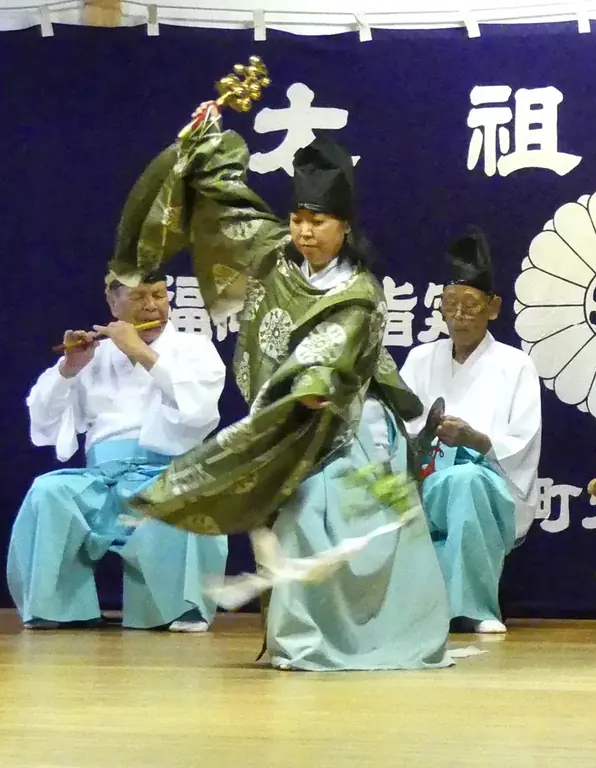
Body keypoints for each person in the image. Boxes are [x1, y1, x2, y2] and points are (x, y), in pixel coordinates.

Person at [104, 100, 453, 671]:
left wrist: (306, 390)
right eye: (298, 218)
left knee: (320, 510)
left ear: (345, 227)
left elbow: (327, 357)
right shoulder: (275, 257)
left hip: (351, 430)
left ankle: (346, 639)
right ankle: (296, 640)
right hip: (289, 420)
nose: (305, 230)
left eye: (318, 221)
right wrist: (205, 138)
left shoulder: (359, 293)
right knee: (287, 510)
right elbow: (227, 201)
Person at [7, 274, 229, 632]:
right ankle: (56, 607)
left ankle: (178, 609)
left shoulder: (194, 347)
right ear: (113, 305)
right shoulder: (95, 353)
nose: (152, 305)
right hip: (102, 478)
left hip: (166, 471)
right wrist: (69, 368)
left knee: (191, 494)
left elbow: (200, 412)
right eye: (139, 297)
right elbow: (43, 420)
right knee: (49, 492)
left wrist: (141, 352)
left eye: (159, 295)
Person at [400, 227, 542, 634]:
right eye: (451, 305)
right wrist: (426, 435)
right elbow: (397, 426)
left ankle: (473, 607)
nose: (460, 316)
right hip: (426, 482)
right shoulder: (420, 359)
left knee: (465, 479)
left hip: (491, 486)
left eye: (471, 306)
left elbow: (522, 443)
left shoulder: (515, 365)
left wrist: (474, 440)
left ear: (493, 308)